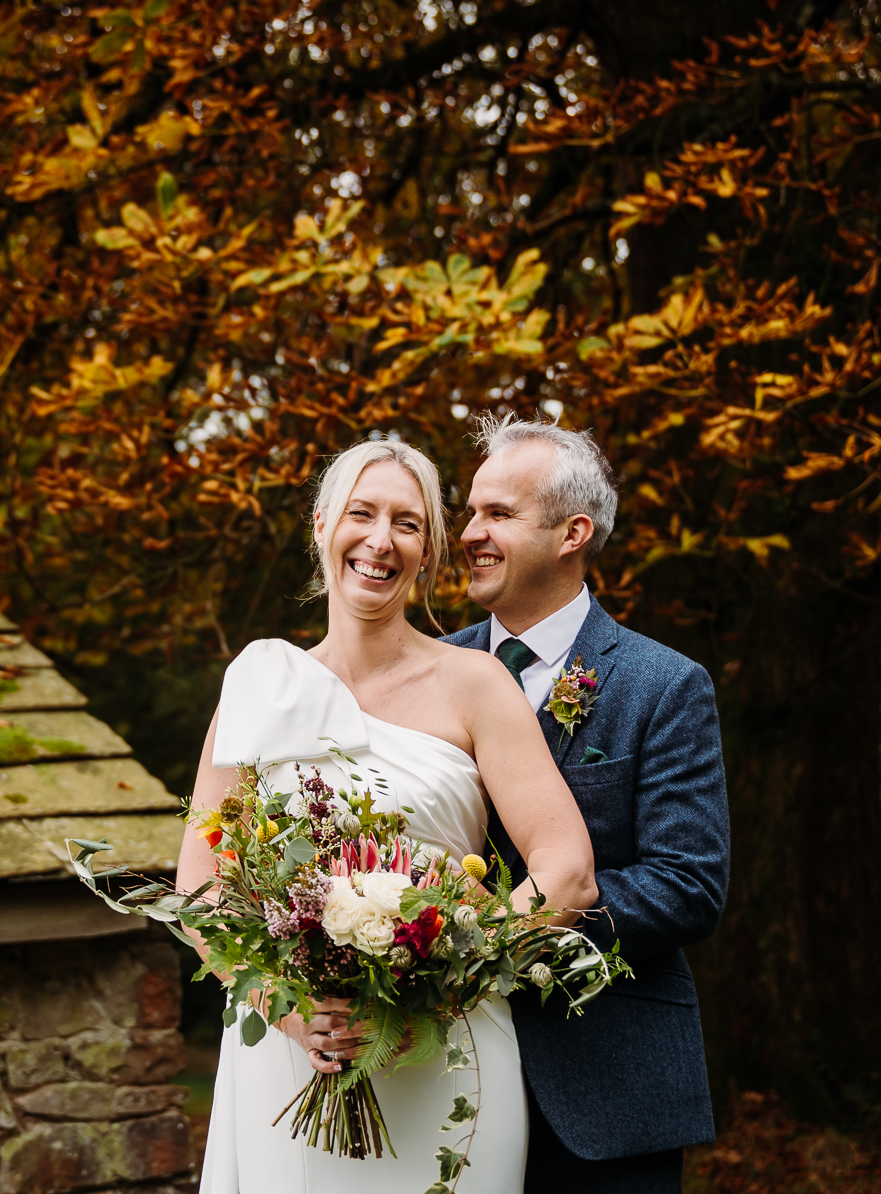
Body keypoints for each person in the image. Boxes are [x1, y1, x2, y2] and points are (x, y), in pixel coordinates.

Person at [183, 437, 599, 1194]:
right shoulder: (258, 681)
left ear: (429, 552)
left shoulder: (474, 684)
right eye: (361, 513)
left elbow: (566, 870)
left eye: (407, 524)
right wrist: (284, 1008)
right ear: (320, 524)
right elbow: (200, 883)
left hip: (445, 1043)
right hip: (289, 1050)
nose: (380, 540)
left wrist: (444, 977)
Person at [442, 415, 729, 1194]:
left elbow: (688, 882)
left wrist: (509, 929)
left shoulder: (662, 685)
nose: (469, 532)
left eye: (497, 514)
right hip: (440, 1081)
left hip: (609, 1078)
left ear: (572, 533)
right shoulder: (429, 674)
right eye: (469, 511)